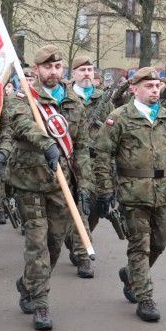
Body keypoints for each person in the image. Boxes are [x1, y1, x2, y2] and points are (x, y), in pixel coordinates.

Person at [0, 44, 90, 330]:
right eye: (47, 67)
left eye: (58, 67)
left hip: (62, 185)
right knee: (37, 241)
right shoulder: (23, 98)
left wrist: (85, 184)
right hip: (30, 181)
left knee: (53, 244)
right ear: (36, 69)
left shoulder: (74, 102)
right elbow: (23, 124)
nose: (53, 72)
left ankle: (28, 282)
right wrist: (47, 143)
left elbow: (83, 147)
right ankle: (41, 304)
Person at [94, 66, 166, 321]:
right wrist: (105, 189)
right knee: (140, 245)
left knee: (159, 242)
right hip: (133, 193)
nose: (155, 90)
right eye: (149, 86)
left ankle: (131, 273)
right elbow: (101, 153)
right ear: (134, 89)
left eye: (157, 86)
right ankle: (144, 298)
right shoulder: (119, 117)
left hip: (163, 194)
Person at [63, 55, 103, 270]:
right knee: (81, 206)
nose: (87, 73)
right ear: (74, 75)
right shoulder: (66, 99)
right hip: (73, 160)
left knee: (95, 208)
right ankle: (83, 255)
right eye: (82, 70)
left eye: (90, 69)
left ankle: (75, 236)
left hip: (97, 161)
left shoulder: (102, 99)